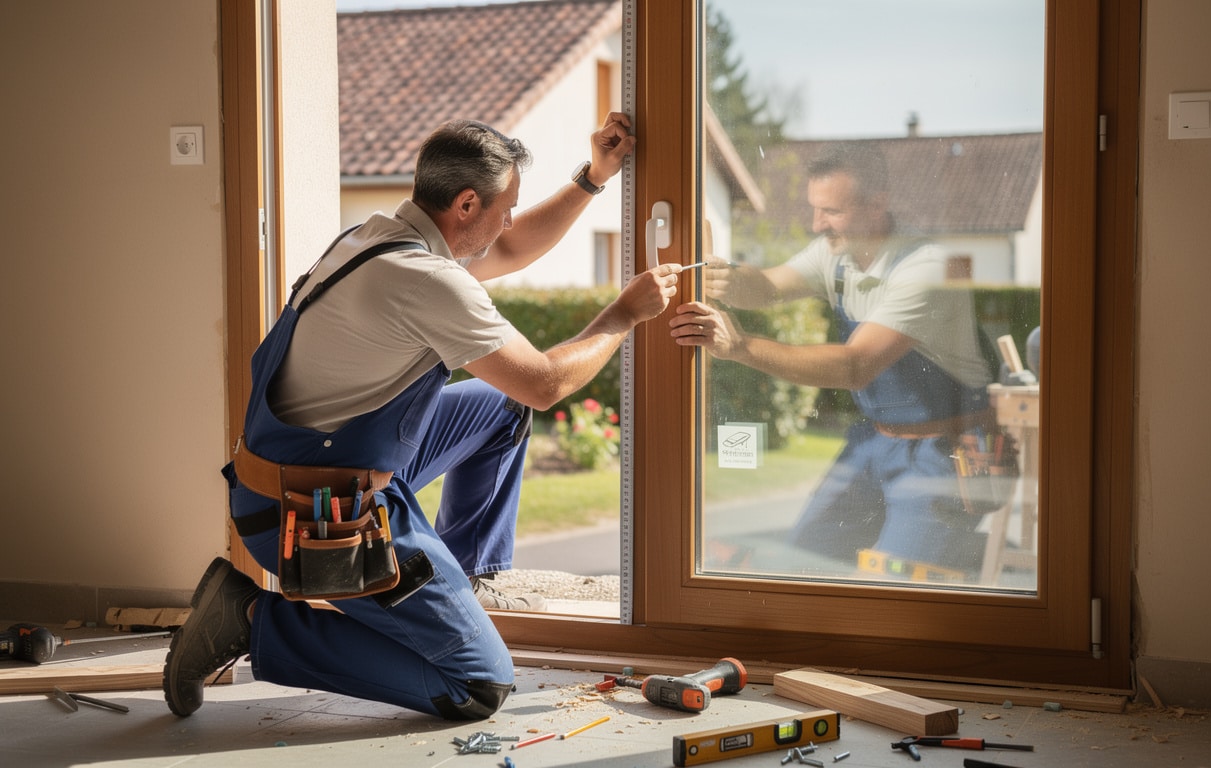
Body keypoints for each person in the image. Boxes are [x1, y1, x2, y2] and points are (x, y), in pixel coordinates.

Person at [164, 113, 682, 720]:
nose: (510, 219)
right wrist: (622, 315)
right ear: (466, 204)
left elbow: (508, 246)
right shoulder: (426, 281)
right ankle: (249, 619)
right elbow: (544, 383)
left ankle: (460, 581)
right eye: (505, 205)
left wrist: (594, 178)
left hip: (306, 466)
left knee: (500, 407)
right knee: (478, 686)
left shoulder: (375, 239)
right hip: (311, 513)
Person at [669, 144, 995, 577]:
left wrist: (740, 346)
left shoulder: (929, 267)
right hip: (875, 441)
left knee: (900, 586)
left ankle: (959, 553)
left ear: (877, 205)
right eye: (815, 209)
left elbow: (855, 366)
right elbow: (766, 287)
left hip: (943, 452)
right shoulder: (836, 254)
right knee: (803, 563)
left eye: (832, 212)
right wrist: (725, 276)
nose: (816, 224)